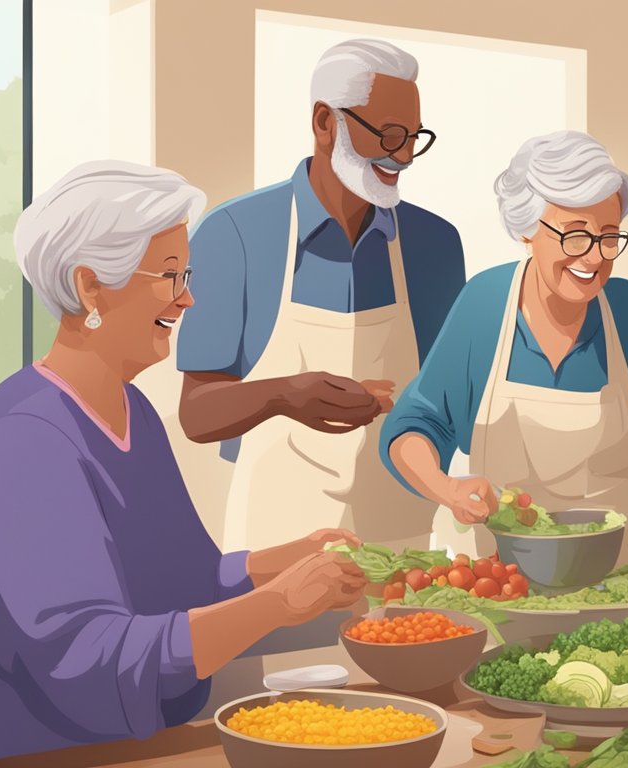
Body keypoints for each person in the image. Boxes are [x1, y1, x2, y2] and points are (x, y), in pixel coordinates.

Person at [0, 162, 368, 763]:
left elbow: (177, 583)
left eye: (188, 274)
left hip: (154, 740)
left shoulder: (133, 411)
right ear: (90, 287)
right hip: (50, 751)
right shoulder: (26, 438)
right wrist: (278, 603)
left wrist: (272, 565)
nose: (188, 297)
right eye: (170, 275)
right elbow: (88, 659)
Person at [382, 131, 628, 564]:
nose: (593, 258)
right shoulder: (485, 305)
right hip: (505, 570)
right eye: (575, 236)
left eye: (609, 237)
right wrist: (447, 489)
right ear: (527, 231)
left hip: (625, 569)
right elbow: (414, 426)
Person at [176, 39, 465, 552]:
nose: (403, 157)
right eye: (390, 135)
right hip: (276, 538)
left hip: (401, 537)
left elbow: (447, 401)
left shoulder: (436, 245)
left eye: (414, 138)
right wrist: (285, 395)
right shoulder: (234, 235)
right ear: (326, 123)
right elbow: (197, 414)